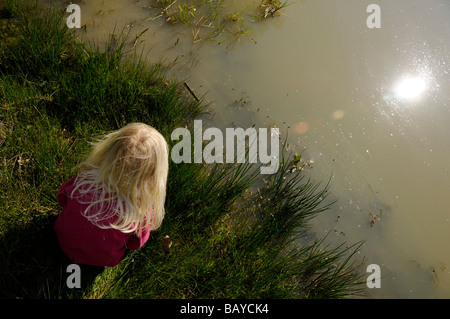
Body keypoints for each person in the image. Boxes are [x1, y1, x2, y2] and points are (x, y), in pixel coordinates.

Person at [54, 123, 169, 267]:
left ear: (109, 151)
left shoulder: (85, 180)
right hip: (101, 260)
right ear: (153, 176)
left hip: (62, 239)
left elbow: (61, 198)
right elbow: (135, 244)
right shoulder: (140, 213)